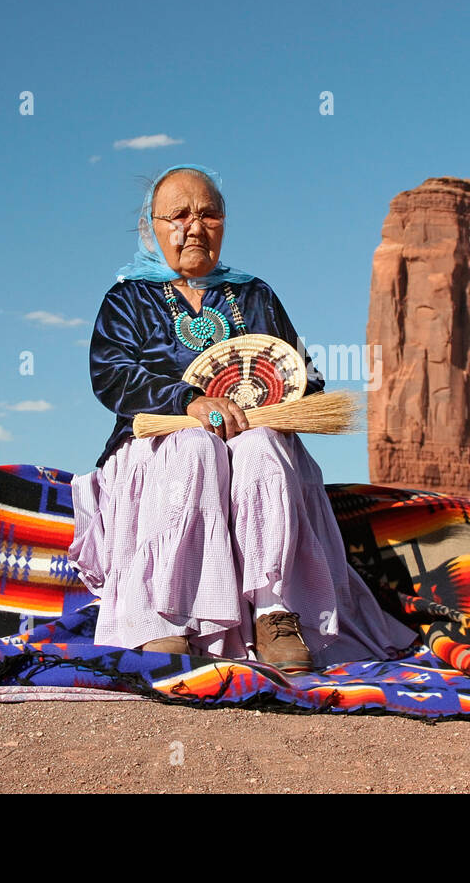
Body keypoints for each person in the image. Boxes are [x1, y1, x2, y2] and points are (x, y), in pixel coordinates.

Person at [66, 163, 418, 672]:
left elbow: (305, 374)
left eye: (208, 214)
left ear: (224, 224)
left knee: (259, 452)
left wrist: (277, 399)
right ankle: (168, 617)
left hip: (253, 436)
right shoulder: (127, 299)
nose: (194, 226)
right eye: (178, 215)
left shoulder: (254, 296)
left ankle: (275, 613)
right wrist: (188, 401)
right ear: (153, 226)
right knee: (196, 450)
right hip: (161, 441)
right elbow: (112, 375)